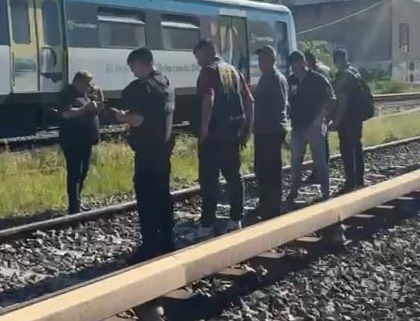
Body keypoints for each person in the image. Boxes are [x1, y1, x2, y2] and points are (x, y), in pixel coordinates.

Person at [110, 48, 176, 264]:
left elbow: (138, 119)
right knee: (163, 197)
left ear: (141, 63)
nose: (133, 72)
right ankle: (167, 241)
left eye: (133, 67)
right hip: (164, 149)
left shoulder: (145, 88)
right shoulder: (165, 83)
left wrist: (123, 117)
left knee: (147, 199)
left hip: (147, 152)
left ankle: (149, 245)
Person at [191, 39, 254, 240]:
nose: (198, 61)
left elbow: (209, 99)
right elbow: (250, 101)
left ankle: (207, 224)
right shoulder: (233, 71)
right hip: (233, 132)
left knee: (209, 180)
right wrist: (247, 129)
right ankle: (236, 219)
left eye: (198, 56)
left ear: (209, 51)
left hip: (214, 134)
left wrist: (204, 129)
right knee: (234, 176)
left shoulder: (209, 71)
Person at [287, 51, 335, 201]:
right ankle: (293, 191)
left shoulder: (318, 79)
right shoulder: (292, 80)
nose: (295, 68)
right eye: (293, 65)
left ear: (303, 63)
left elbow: (331, 98)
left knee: (319, 160)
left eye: (297, 64)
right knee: (295, 161)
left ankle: (326, 192)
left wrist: (322, 117)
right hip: (298, 126)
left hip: (314, 125)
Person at [57, 71, 103, 214]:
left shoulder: (86, 95)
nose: (89, 86)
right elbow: (66, 113)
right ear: (78, 82)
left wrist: (99, 102)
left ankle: (78, 201)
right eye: (87, 83)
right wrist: (85, 108)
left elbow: (93, 113)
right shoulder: (67, 94)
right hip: (72, 140)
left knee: (84, 171)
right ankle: (73, 206)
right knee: (75, 172)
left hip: (86, 140)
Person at [252, 45, 289, 220]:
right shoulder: (265, 78)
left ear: (273, 60)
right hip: (261, 130)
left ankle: (273, 207)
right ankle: (264, 203)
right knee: (262, 169)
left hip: (272, 131)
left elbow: (280, 108)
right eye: (260, 59)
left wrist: (281, 131)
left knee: (272, 171)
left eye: (264, 59)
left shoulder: (276, 79)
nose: (261, 63)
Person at [331, 49, 366, 193]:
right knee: (357, 146)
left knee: (347, 150)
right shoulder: (355, 72)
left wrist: (337, 120)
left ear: (336, 60)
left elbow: (343, 99)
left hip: (347, 118)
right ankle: (359, 179)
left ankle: (350, 182)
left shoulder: (342, 75)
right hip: (357, 117)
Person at [304, 51, 332, 183]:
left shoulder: (317, 73)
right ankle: (322, 170)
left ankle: (319, 173)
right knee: (323, 142)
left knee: (319, 144)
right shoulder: (326, 68)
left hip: (319, 112)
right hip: (326, 111)